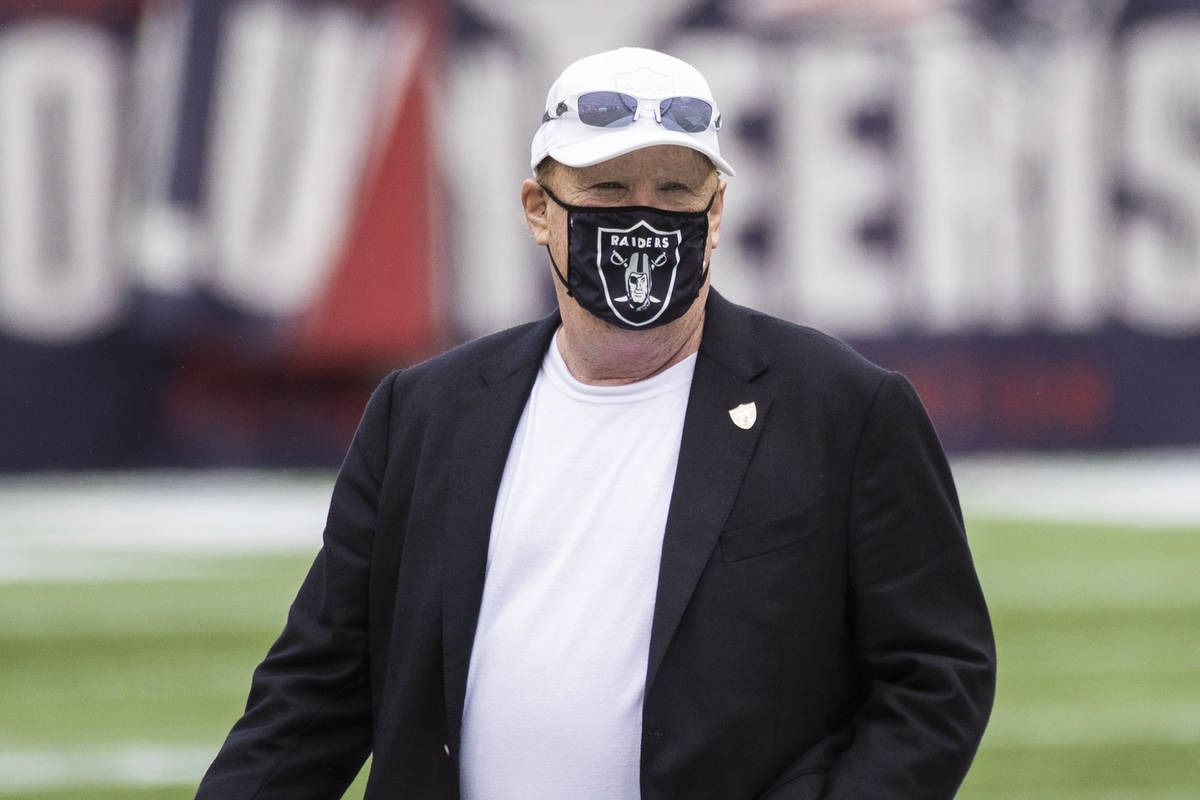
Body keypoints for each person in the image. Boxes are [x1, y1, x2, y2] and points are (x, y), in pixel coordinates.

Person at [195, 46, 996, 800]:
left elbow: (937, 674)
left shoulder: (842, 410)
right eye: (609, 189)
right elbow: (319, 687)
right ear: (539, 209)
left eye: (675, 192)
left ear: (716, 213)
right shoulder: (425, 413)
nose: (643, 217)